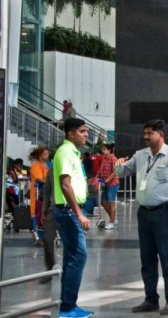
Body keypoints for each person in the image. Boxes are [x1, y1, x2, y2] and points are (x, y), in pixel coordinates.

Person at [114, 119, 168, 316]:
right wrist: (118, 165)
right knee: (147, 259)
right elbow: (124, 171)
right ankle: (151, 299)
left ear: (160, 135)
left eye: (150, 133)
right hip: (144, 214)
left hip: (164, 213)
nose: (146, 137)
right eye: (145, 133)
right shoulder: (140, 155)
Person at [52, 118, 94, 318]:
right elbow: (65, 184)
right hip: (68, 212)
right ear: (70, 133)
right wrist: (78, 213)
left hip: (71, 211)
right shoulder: (65, 152)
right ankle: (67, 307)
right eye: (83, 131)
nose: (86, 135)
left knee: (72, 257)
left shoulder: (74, 153)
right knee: (79, 256)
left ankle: (67, 305)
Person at [96, 143, 119, 230]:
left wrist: (107, 180)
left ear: (109, 150)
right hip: (104, 184)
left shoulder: (113, 158)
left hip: (113, 184)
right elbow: (101, 169)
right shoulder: (104, 158)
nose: (103, 151)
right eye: (102, 149)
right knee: (103, 202)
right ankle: (113, 219)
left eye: (104, 149)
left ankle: (112, 222)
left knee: (111, 202)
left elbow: (115, 171)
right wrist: (97, 177)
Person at [29, 146, 50, 244]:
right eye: (45, 154)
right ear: (40, 156)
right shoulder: (36, 165)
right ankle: (37, 235)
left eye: (47, 153)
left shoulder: (48, 164)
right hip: (38, 193)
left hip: (47, 192)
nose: (47, 155)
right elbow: (39, 179)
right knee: (37, 212)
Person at [40, 167, 57, 284]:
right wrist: (44, 211)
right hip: (53, 209)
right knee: (47, 239)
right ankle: (50, 269)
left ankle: (69, 271)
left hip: (69, 210)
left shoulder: (72, 169)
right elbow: (47, 193)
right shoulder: (51, 172)